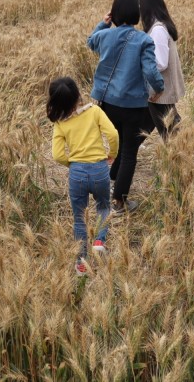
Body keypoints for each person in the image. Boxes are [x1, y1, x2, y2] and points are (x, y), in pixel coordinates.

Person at [87, 0, 164, 214]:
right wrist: (159, 89)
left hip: (107, 104)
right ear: (137, 14)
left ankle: (112, 178)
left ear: (115, 13)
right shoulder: (144, 39)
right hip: (133, 106)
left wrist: (103, 24)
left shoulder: (105, 36)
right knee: (129, 152)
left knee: (116, 143)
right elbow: (150, 70)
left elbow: (90, 41)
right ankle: (119, 202)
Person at [48, 76, 119, 276]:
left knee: (80, 218)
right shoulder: (94, 112)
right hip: (99, 169)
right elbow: (112, 134)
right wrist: (112, 153)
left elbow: (57, 154)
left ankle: (81, 265)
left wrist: (72, 164)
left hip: (77, 173)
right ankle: (99, 240)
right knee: (104, 206)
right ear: (78, 95)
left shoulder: (60, 124)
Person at [138, 0, 186, 140]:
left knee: (169, 131)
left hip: (160, 90)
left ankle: (182, 155)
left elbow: (160, 63)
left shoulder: (157, 30)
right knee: (169, 126)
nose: (138, 11)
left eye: (140, 6)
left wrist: (139, 63)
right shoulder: (158, 27)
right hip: (159, 89)